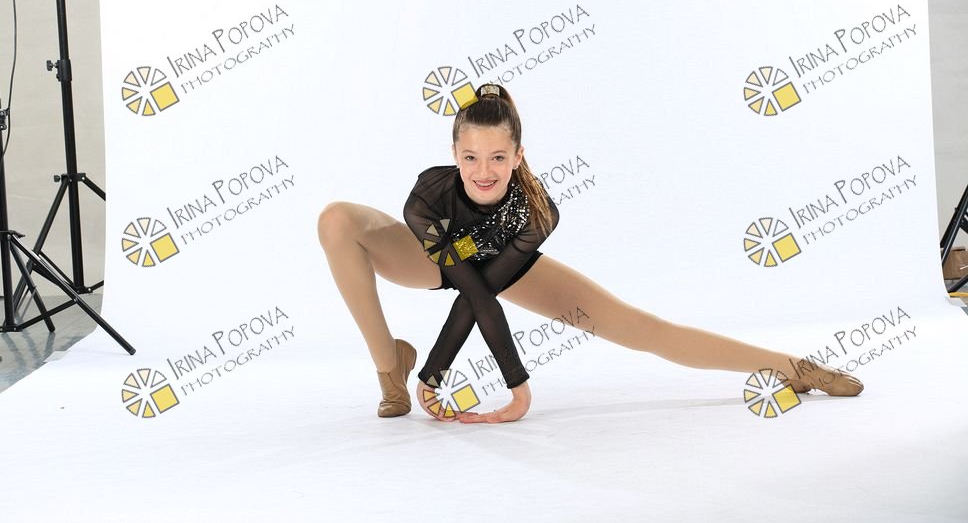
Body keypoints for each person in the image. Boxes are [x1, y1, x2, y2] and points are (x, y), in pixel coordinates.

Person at [317, 84, 863, 424]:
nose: (484, 172)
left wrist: (500, 385)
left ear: (519, 155)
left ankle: (795, 368)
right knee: (337, 219)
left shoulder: (536, 211)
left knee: (644, 329)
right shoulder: (429, 194)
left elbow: (479, 295)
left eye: (498, 157)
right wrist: (428, 375)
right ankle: (389, 366)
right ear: (454, 154)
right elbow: (460, 278)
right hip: (437, 259)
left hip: (499, 268)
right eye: (471, 157)